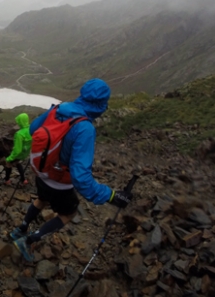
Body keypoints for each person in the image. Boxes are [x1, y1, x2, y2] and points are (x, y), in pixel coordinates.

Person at [11, 79, 133, 262]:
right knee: (68, 214)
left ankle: (21, 228)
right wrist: (112, 196)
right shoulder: (84, 128)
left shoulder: (58, 108)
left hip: (40, 171)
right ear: (101, 104)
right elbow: (81, 178)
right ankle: (29, 241)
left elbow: (34, 129)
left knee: (41, 200)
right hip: (59, 182)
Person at [1, 113, 31, 186]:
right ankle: (23, 180)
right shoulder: (31, 129)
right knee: (18, 163)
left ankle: (7, 180)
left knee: (8, 164)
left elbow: (17, 150)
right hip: (25, 153)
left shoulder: (19, 134)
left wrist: (9, 158)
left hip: (19, 154)